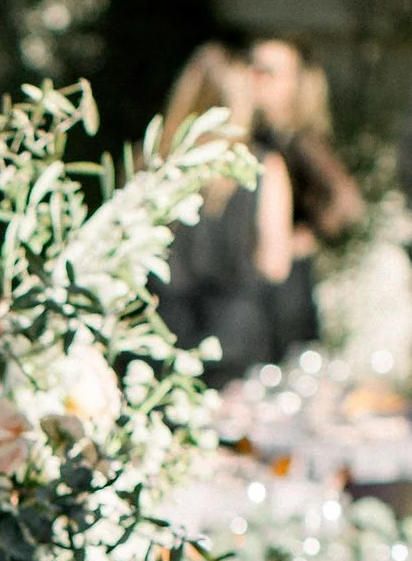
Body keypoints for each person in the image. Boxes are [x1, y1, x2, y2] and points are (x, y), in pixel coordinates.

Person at [155, 43, 293, 377]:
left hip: (161, 337)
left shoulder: (153, 164)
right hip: (237, 343)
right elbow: (275, 265)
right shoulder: (264, 168)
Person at [247, 35, 365, 363]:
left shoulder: (295, 138)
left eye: (269, 72)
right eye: (252, 68)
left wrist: (302, 238)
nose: (256, 80)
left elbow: (346, 199)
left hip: (284, 290)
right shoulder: (261, 133)